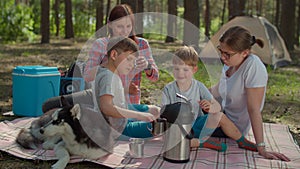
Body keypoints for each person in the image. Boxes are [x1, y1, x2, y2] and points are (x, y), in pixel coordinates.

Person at [209, 26, 290, 161]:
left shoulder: (253, 67)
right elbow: (216, 90)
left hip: (231, 127)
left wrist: (261, 147)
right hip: (221, 114)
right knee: (180, 106)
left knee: (183, 119)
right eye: (220, 51)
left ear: (245, 53)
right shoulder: (230, 63)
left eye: (227, 54)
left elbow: (254, 109)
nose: (222, 57)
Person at [161, 46, 258, 152]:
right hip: (178, 130)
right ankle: (202, 143)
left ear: (194, 70)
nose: (180, 73)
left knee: (220, 116)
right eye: (176, 69)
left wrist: (210, 107)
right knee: (171, 142)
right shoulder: (168, 89)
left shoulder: (199, 86)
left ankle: (242, 141)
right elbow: (163, 113)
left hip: (198, 126)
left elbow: (217, 106)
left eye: (185, 69)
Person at [83, 4, 159, 104]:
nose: (125, 31)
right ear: (109, 24)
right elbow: (87, 76)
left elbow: (155, 77)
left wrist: (147, 66)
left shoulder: (141, 44)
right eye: (120, 26)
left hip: (131, 103)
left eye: (128, 26)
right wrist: (109, 63)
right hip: (106, 105)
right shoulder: (101, 44)